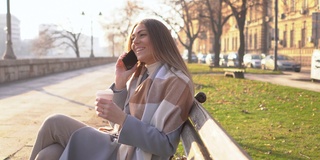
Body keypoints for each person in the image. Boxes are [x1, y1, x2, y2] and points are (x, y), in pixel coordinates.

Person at [29, 18, 195, 160]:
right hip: (119, 146)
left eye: (142, 35)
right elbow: (120, 124)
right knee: (47, 155)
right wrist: (120, 82)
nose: (135, 41)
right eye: (133, 37)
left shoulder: (177, 82)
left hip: (124, 153)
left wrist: (123, 119)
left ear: (160, 40)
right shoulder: (142, 74)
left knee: (54, 122)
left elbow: (165, 145)